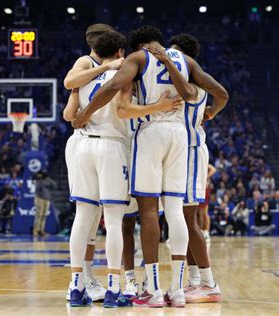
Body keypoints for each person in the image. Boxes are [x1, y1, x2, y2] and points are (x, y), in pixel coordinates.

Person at [74, 25, 227, 308]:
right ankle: (178, 290)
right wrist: (212, 112)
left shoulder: (141, 58)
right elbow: (221, 93)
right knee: (176, 211)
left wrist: (85, 111)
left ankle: (154, 290)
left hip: (151, 131)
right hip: (180, 135)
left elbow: (111, 87)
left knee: (146, 211)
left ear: (140, 44)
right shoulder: (186, 61)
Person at [66, 31, 133, 308]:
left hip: (83, 145)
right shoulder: (124, 74)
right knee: (114, 219)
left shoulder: (85, 76)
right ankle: (114, 287)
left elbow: (69, 116)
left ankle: (76, 285)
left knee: (82, 217)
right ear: (120, 51)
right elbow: (122, 110)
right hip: (111, 145)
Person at [164, 33, 227, 303]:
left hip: (190, 151)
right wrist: (210, 112)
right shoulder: (187, 81)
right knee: (182, 220)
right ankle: (194, 281)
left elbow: (223, 94)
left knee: (189, 221)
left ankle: (210, 282)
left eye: (176, 55)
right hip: (182, 151)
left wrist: (210, 112)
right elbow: (221, 97)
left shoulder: (191, 84)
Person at [33, 171, 57, 237]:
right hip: (40, 199)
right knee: (39, 215)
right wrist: (41, 180)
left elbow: (54, 185)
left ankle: (41, 230)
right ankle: (35, 231)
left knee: (44, 216)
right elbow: (38, 188)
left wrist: (48, 178)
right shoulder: (38, 181)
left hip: (47, 199)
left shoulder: (48, 180)